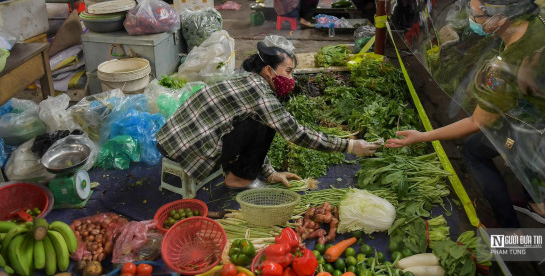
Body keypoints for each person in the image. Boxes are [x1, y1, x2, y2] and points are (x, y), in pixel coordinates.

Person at [386, 0, 545, 230]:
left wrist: (421, 136)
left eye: (476, 15)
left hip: (537, 121)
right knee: (520, 147)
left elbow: (478, 121)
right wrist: (458, 29)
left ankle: (509, 229)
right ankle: (541, 204)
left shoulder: (505, 69)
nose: (471, 18)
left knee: (475, 150)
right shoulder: (542, 8)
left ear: (500, 18)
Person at [157, 42, 381, 189]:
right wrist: (350, 146)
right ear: (268, 71)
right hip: (185, 148)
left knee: (263, 122)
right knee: (268, 125)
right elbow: (296, 133)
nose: (291, 79)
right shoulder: (260, 94)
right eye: (288, 72)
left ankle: (243, 174)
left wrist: (269, 172)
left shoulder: (245, 78)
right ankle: (239, 179)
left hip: (171, 138)